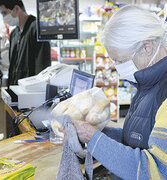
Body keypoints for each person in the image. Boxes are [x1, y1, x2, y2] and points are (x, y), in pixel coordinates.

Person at [72, 5, 167, 179]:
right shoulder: (147, 84)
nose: (117, 68)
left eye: (120, 60)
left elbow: (156, 170)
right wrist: (100, 132)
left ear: (147, 47)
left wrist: (94, 139)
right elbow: (137, 140)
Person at [0, 0, 51, 87]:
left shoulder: (37, 29)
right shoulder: (14, 34)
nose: (4, 18)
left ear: (16, 9)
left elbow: (42, 65)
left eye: (4, 13)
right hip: (16, 89)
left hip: (31, 90)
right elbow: (12, 66)